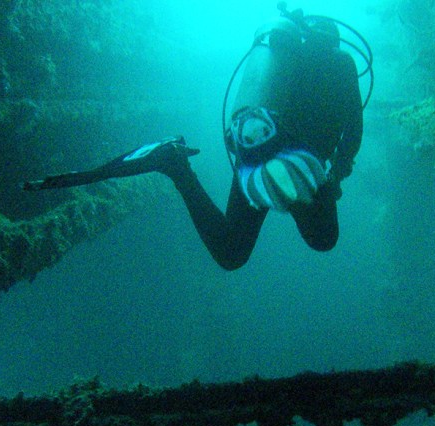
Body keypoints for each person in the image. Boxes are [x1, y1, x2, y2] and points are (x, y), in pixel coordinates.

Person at [25, 12, 364, 271]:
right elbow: (353, 130)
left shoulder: (284, 60)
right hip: (304, 170)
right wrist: (337, 175)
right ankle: (175, 167)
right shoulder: (343, 64)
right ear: (334, 41)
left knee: (232, 252)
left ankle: (175, 166)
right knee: (323, 240)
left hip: (258, 152)